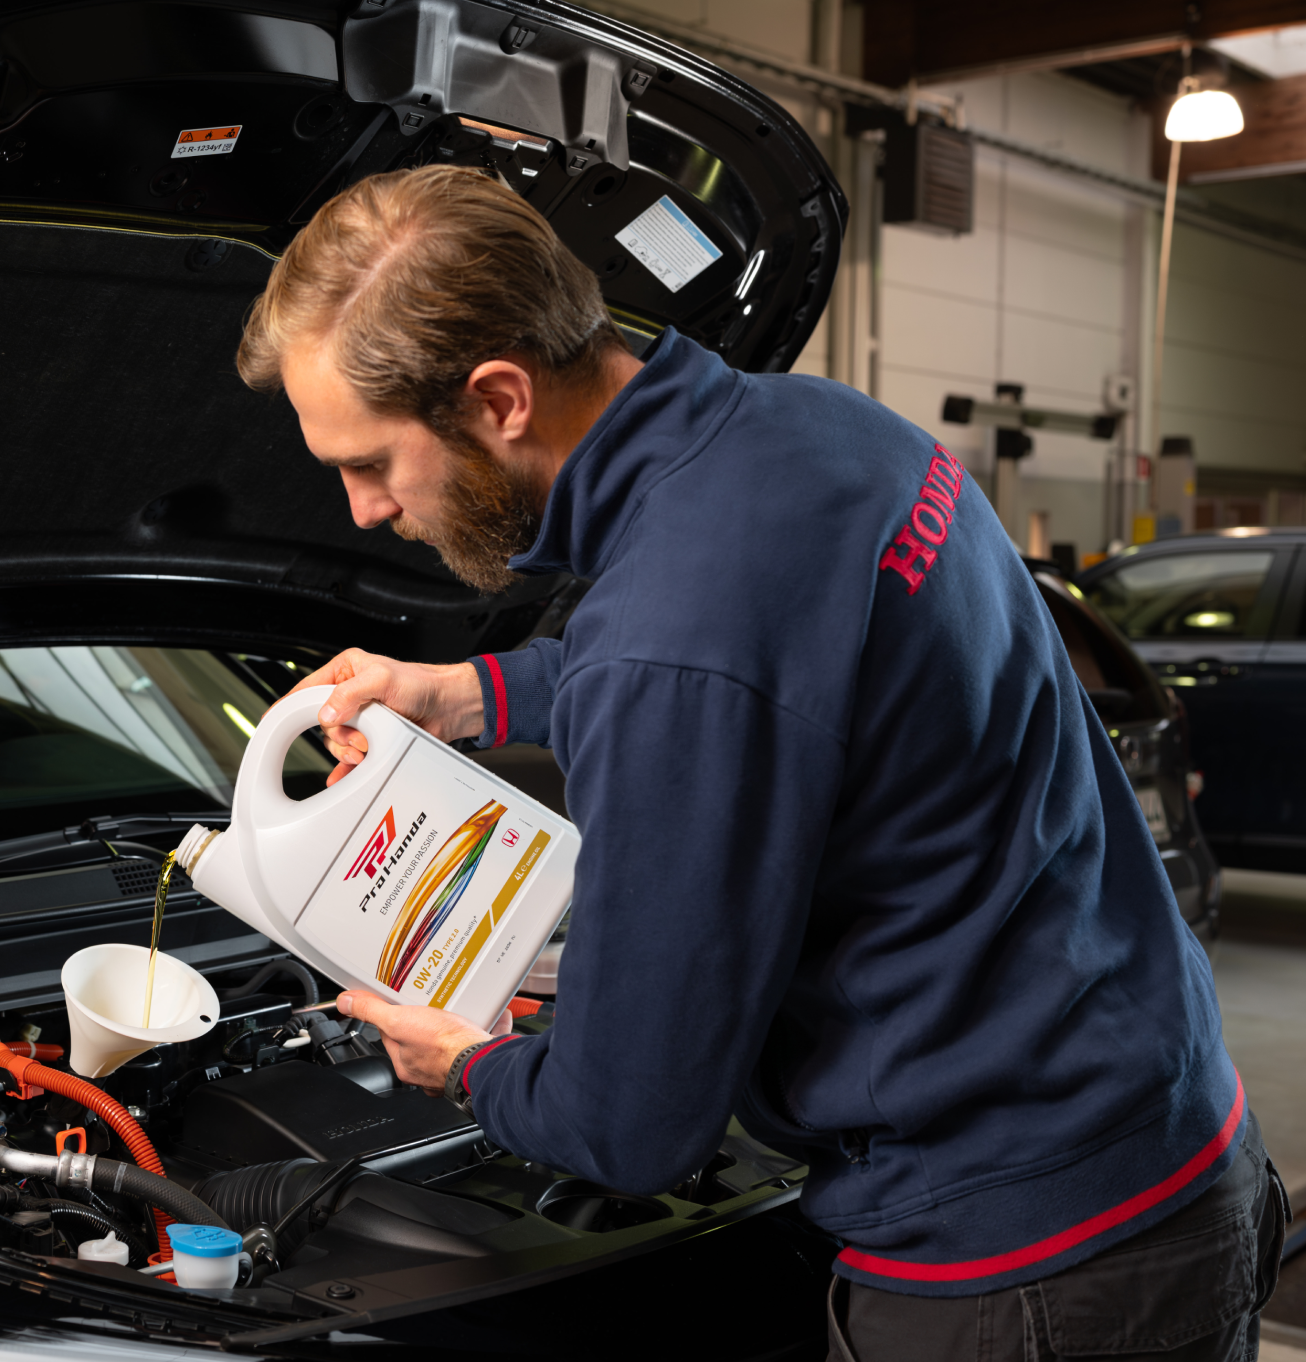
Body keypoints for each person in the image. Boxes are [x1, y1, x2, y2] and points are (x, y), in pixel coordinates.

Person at [235, 164, 1288, 1361]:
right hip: (1167, 1143)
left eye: (369, 462)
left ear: (497, 399)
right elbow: (759, 674)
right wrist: (464, 691)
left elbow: (630, 1129)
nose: (363, 511)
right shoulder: (819, 431)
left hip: (1016, 1273)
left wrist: (467, 1062)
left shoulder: (671, 643)